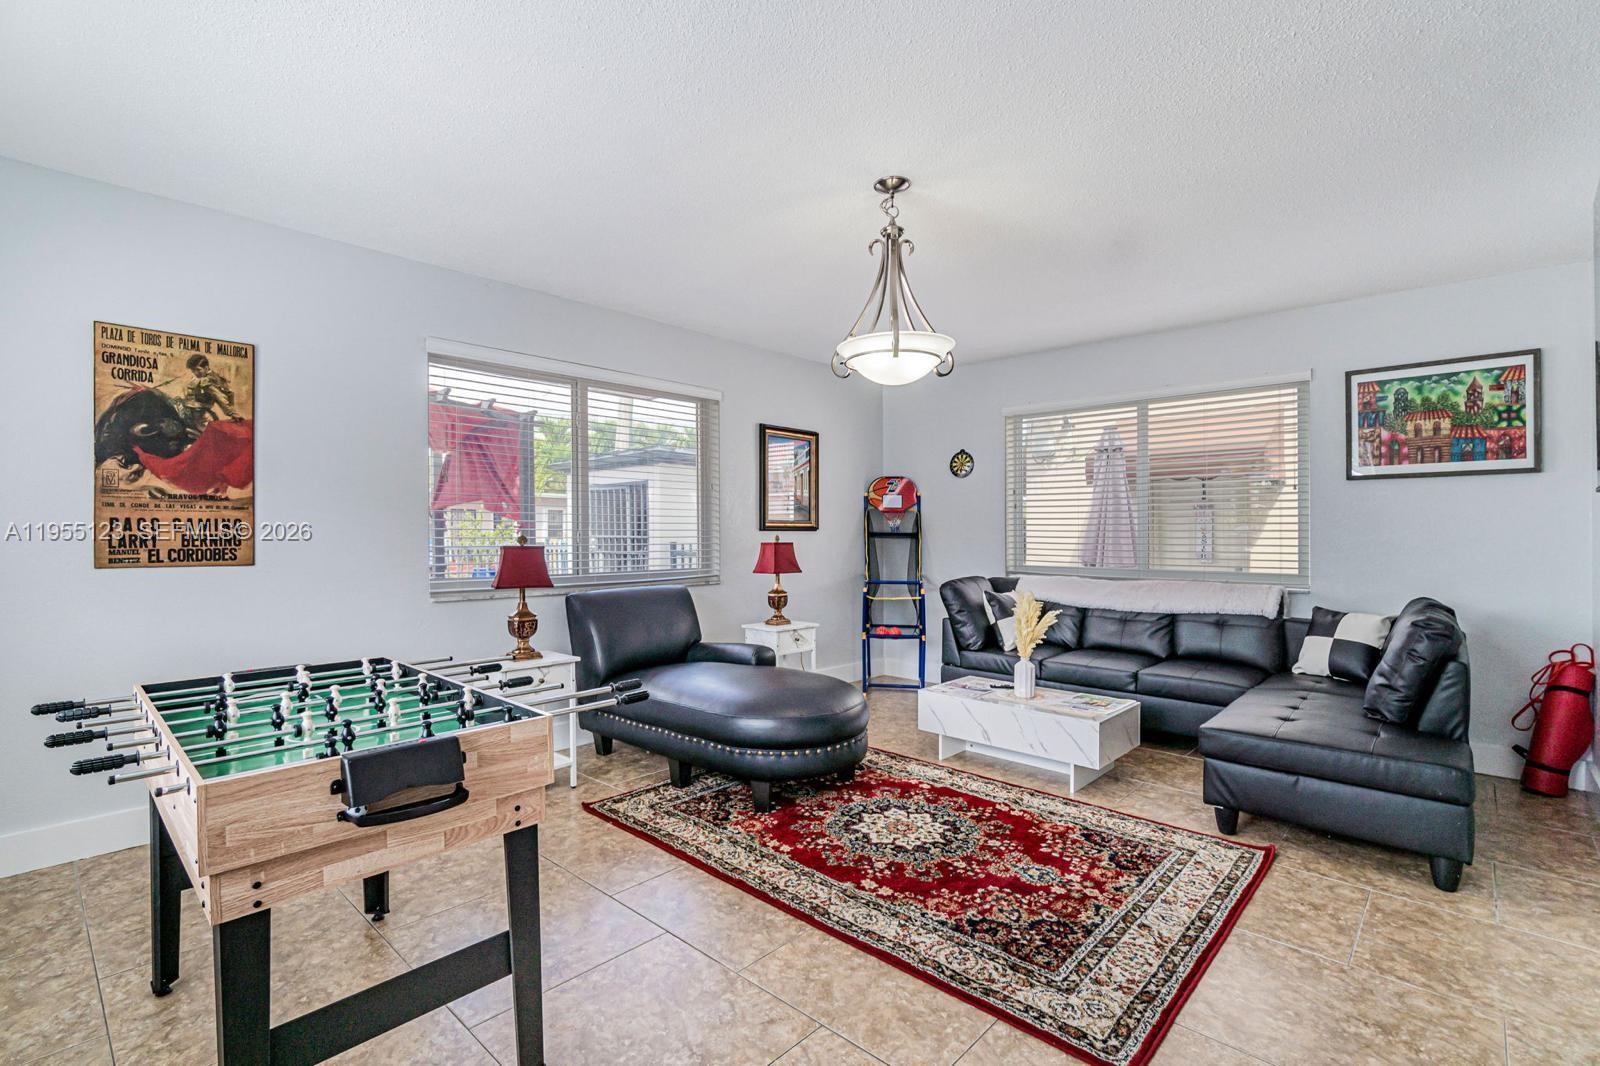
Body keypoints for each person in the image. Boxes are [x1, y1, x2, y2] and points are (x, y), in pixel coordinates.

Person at [178, 353, 238, 429]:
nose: (196, 373)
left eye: (198, 370)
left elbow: (219, 397)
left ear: (206, 368)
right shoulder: (203, 377)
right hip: (192, 410)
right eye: (193, 370)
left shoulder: (208, 380)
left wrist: (232, 413)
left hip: (200, 415)